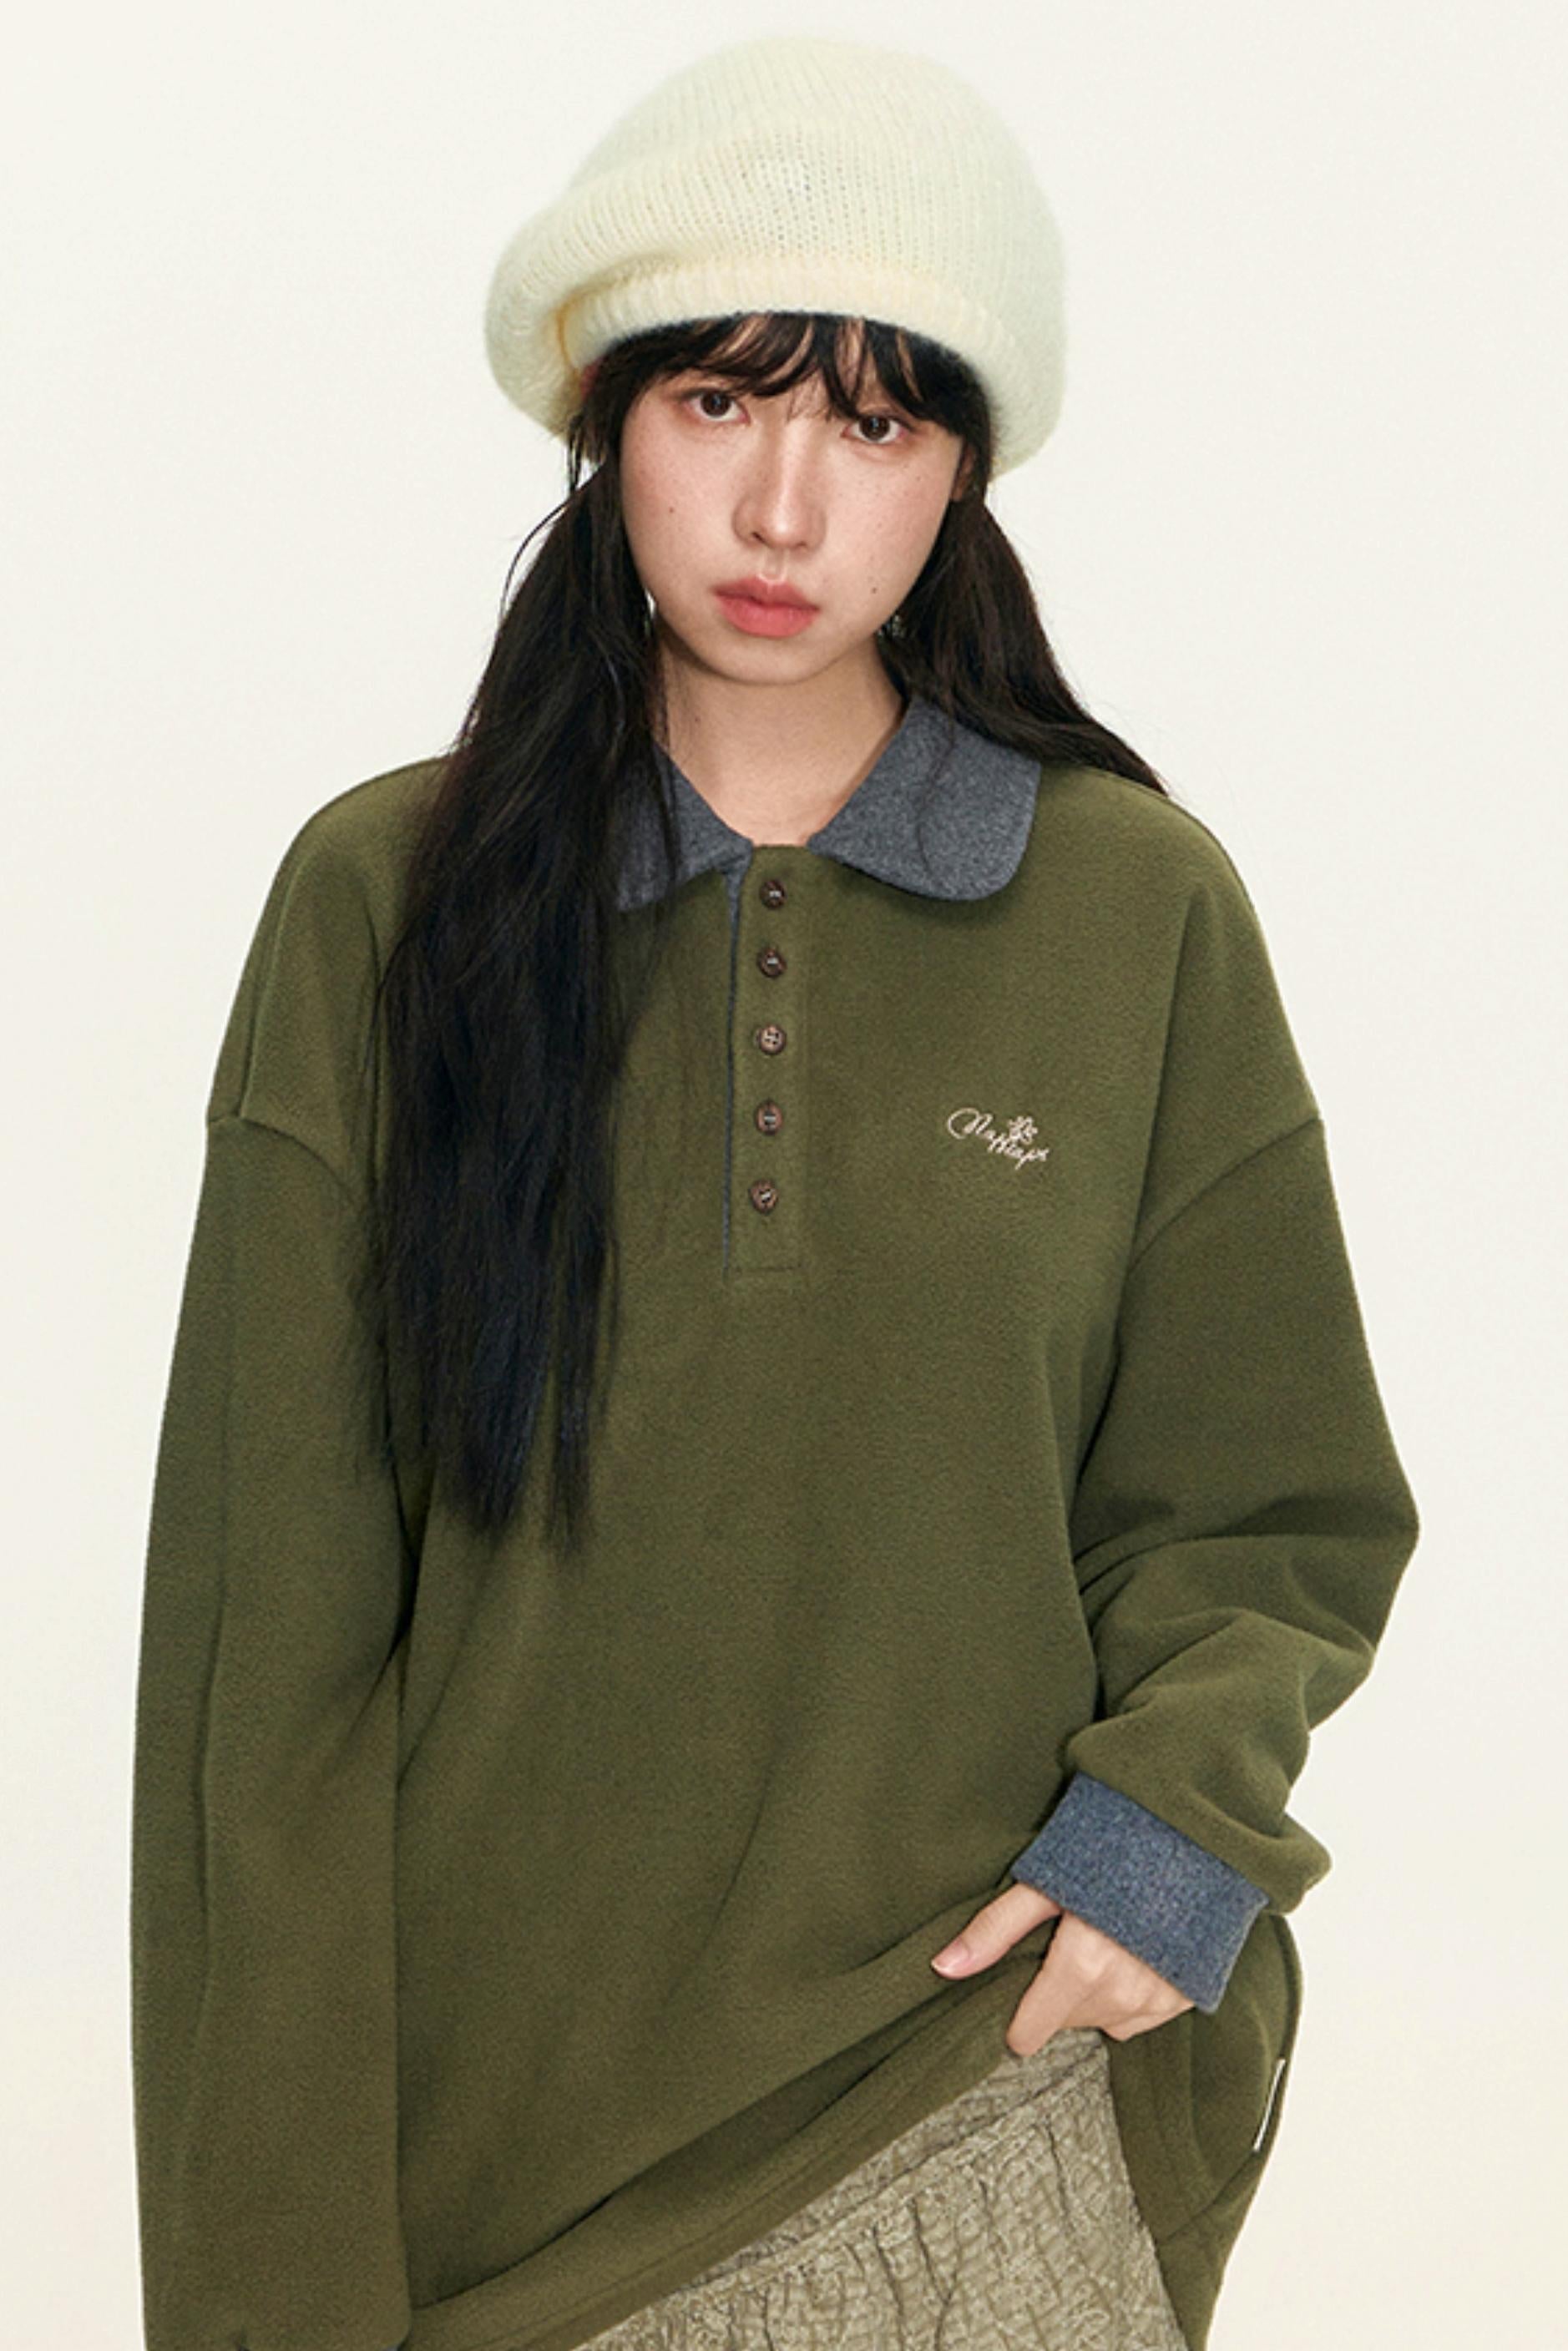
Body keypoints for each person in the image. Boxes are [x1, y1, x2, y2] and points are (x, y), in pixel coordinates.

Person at [129, 32, 1422, 2351]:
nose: (784, 506)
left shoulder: (1133, 910)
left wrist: (1168, 1856)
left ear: (964, 473)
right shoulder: (384, 909)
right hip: (495, 2207)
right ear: (604, 414)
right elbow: (264, 1692)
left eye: (878, 424)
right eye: (721, 399)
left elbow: (1276, 1508)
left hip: (982, 2128)